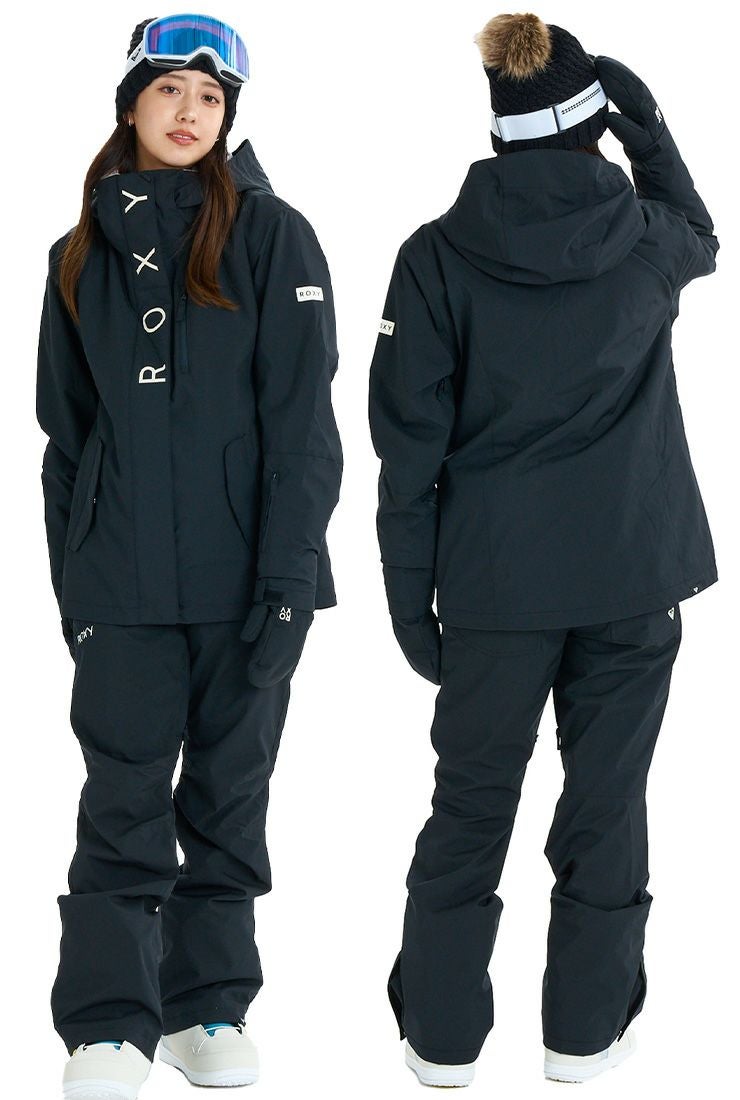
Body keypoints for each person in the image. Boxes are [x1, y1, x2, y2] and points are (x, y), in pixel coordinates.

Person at [368, 11, 718, 1087]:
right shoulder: (645, 239)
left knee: (471, 804)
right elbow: (700, 231)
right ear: (593, 126)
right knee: (606, 802)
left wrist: (408, 598)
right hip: (631, 574)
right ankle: (581, 1033)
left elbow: (405, 450)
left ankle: (440, 1041)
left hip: (491, 588)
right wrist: (647, 126)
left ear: (499, 128)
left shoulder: (433, 257)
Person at [36, 13, 342, 1098]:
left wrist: (290, 579)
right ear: (131, 105)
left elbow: (303, 424)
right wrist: (74, 582)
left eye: (210, 98)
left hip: (244, 579)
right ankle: (109, 1026)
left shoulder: (272, 235)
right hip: (121, 582)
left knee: (227, 796)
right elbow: (66, 437)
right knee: (119, 801)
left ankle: (207, 1005)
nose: (190, 112)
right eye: (170, 90)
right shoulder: (78, 255)